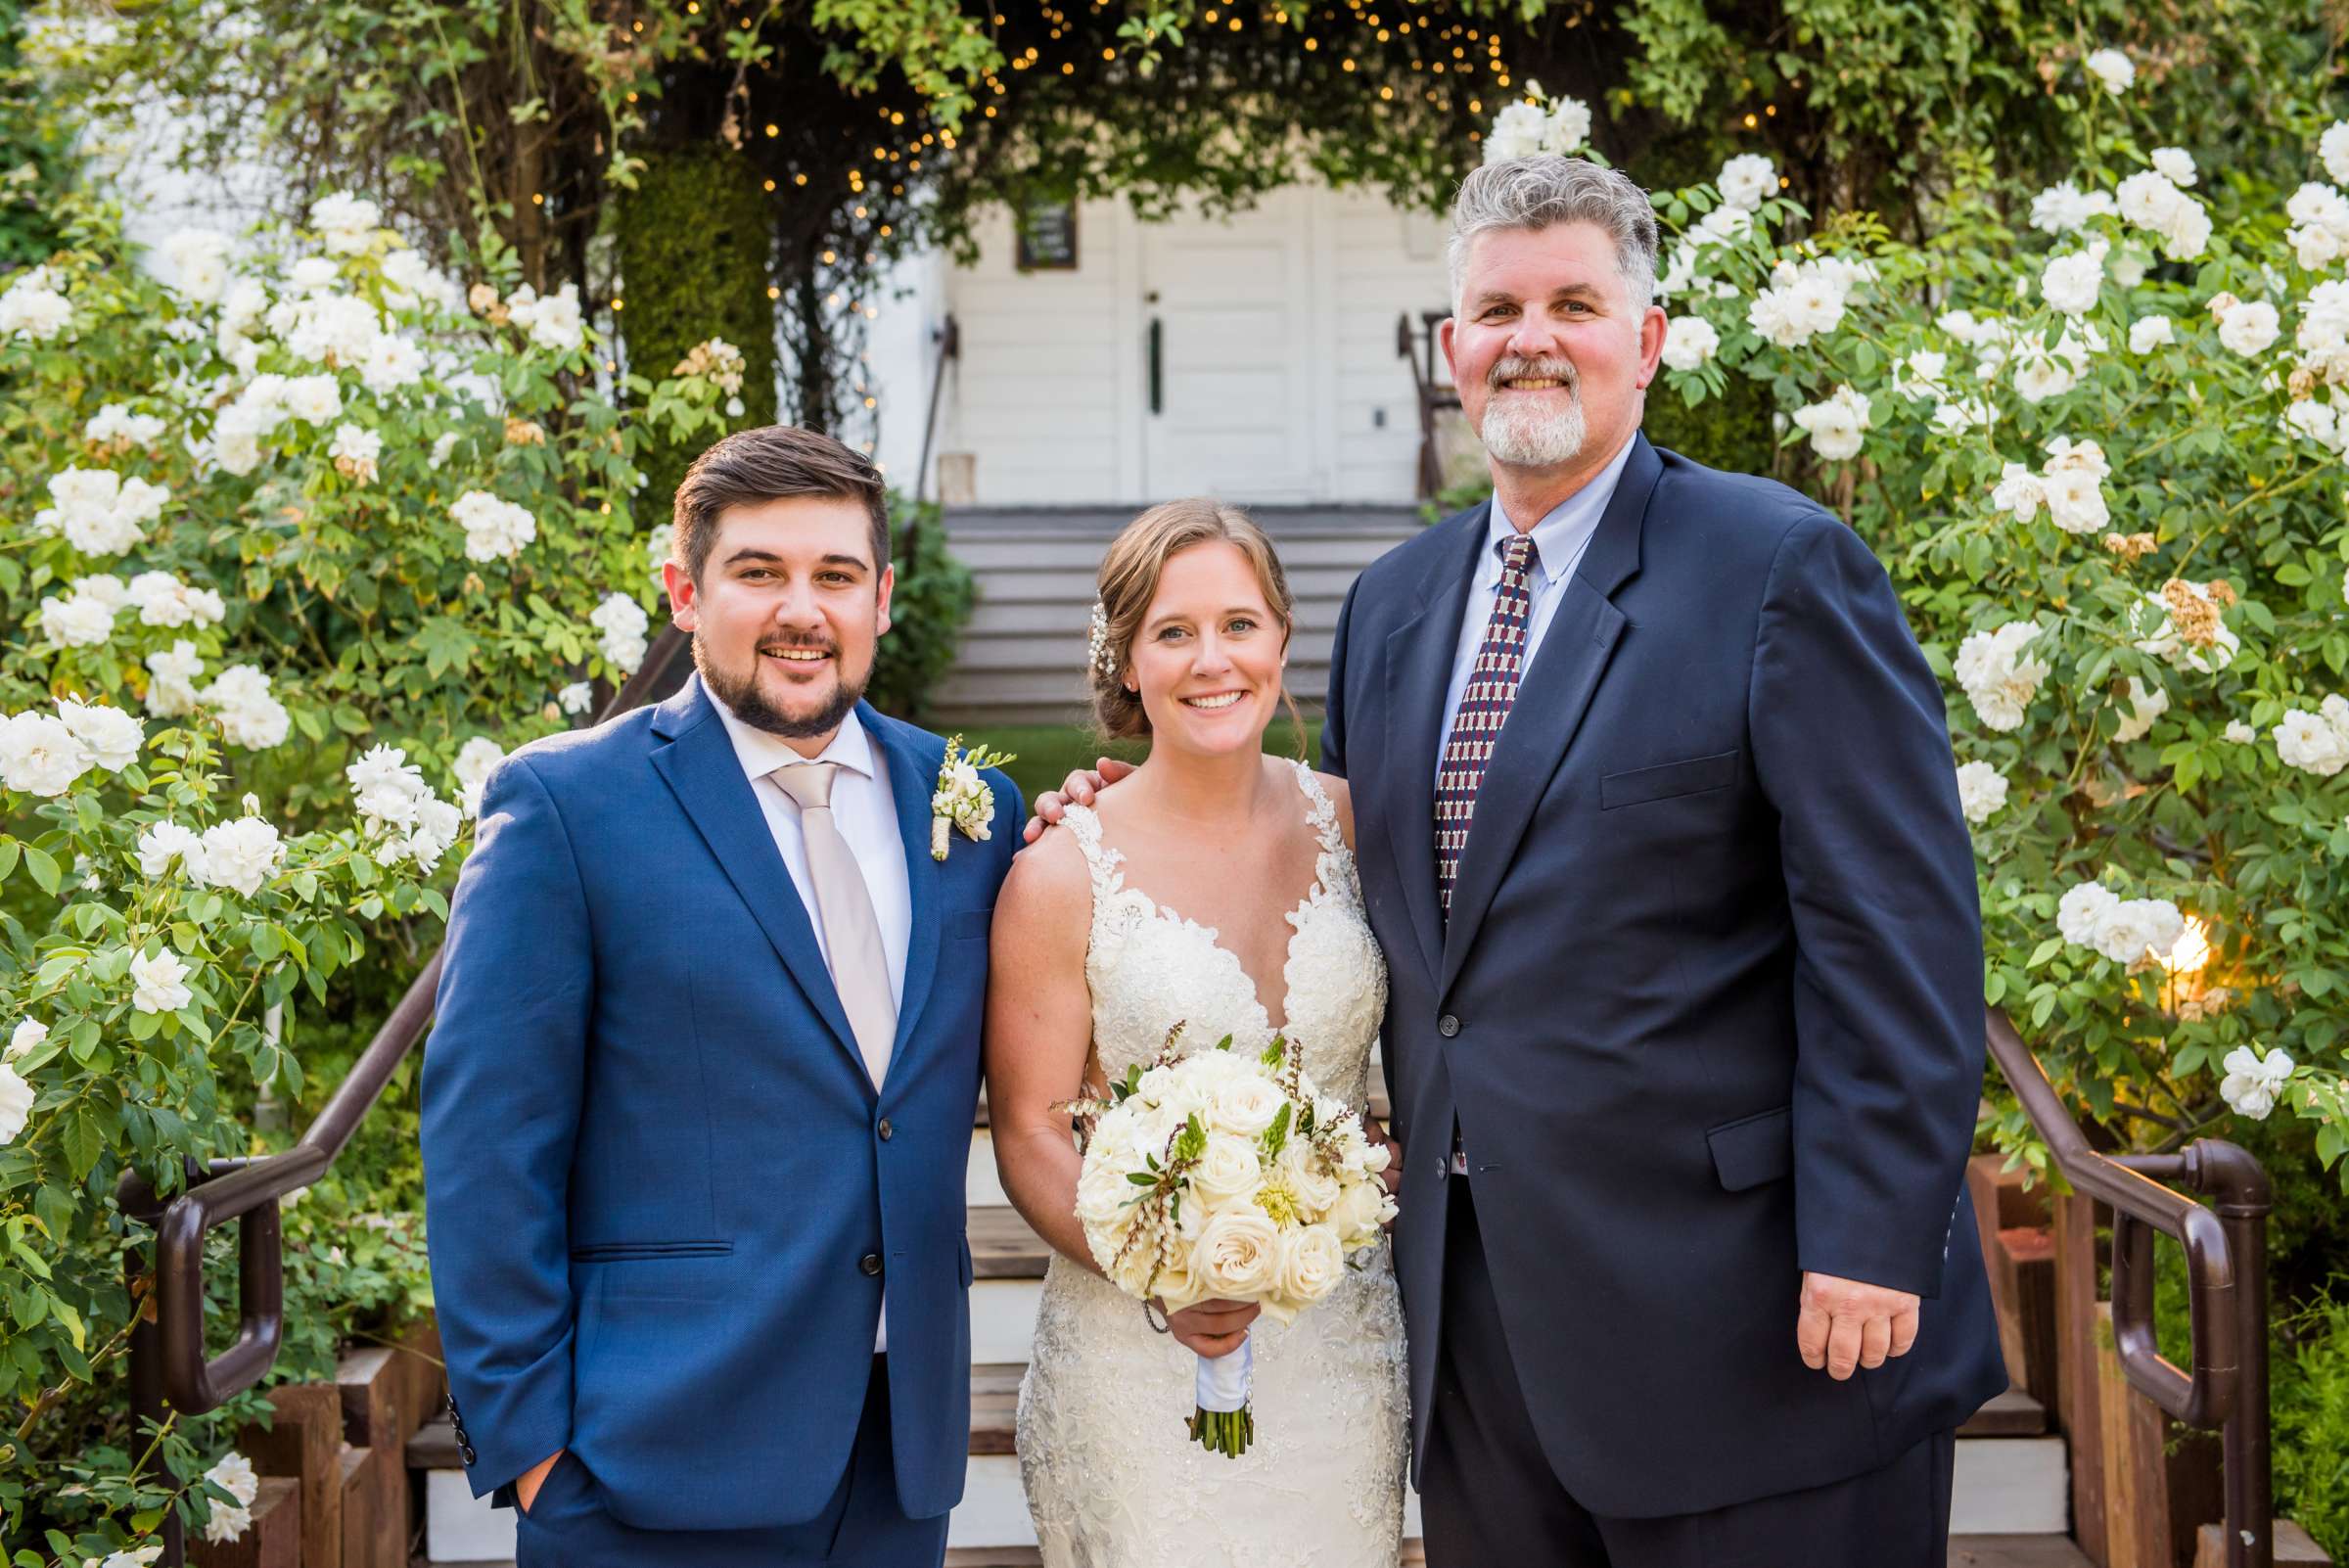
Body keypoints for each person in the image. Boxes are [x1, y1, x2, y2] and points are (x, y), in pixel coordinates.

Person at [1029, 156, 2008, 1567]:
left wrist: (1867, 1230)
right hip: (1475, 1338)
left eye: (1574, 302)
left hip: (1753, 1316)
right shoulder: (1394, 606)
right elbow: (1361, 878)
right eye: (1496, 307)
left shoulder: (1781, 569)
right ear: (1452, 347)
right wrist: (1122, 817)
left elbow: (1898, 932)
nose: (1530, 336)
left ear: (1648, 339)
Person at [420, 425, 1020, 1568]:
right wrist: (534, 1451)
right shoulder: (563, 805)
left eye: (835, 576)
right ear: (684, 592)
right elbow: (485, 1145)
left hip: (899, 1459)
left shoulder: (968, 803)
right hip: (646, 1466)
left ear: (882, 598)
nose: (804, 609)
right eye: (759, 572)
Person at [987, 499, 1409, 1566]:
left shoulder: (1361, 825)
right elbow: (1032, 1127)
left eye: (1239, 624)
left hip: (1339, 1349)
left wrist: (1374, 1175)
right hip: (1135, 1359)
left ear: (1281, 638)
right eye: (1173, 632)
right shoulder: (1060, 870)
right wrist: (1164, 1276)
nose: (1211, 660)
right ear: (1127, 660)